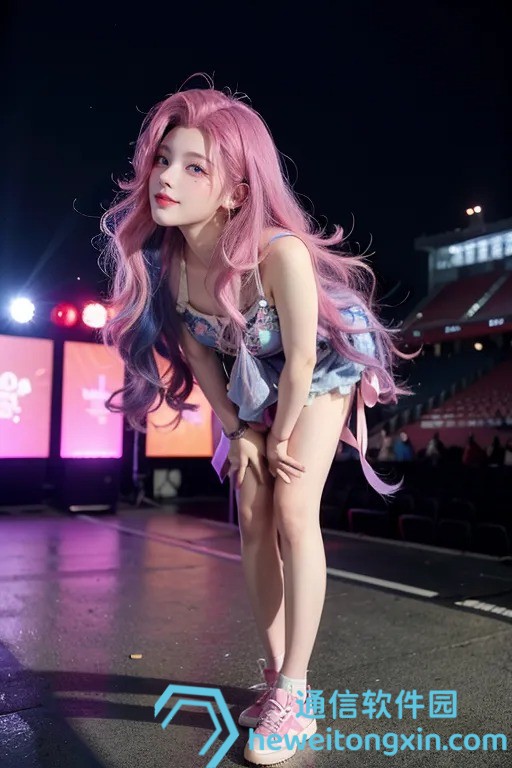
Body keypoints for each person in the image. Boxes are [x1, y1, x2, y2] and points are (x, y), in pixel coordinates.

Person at [99, 76, 416, 764]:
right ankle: (277, 678)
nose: (166, 178)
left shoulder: (280, 252)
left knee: (293, 509)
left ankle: (297, 695)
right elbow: (197, 353)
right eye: (163, 160)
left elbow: (300, 360)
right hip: (254, 378)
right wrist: (239, 432)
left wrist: (278, 439)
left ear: (236, 191)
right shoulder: (173, 264)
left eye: (194, 167)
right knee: (252, 513)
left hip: (320, 368)